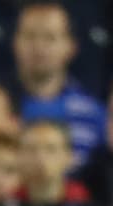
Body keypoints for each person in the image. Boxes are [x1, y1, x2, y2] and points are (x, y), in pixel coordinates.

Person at [9, 1, 106, 169]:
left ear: (71, 47)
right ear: (15, 43)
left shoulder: (93, 114)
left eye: (50, 38)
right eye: (30, 36)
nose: (38, 46)